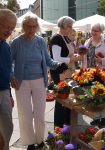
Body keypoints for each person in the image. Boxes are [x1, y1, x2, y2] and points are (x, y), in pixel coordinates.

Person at [10, 14, 67, 150]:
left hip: (39, 80)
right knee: (25, 114)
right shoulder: (16, 42)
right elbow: (9, 62)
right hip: (21, 81)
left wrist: (58, 64)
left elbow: (48, 60)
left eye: (34, 26)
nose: (31, 29)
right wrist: (11, 76)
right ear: (23, 27)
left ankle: (40, 140)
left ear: (37, 27)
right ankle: (30, 142)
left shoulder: (40, 41)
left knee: (40, 113)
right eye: (28, 26)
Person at [50, 16, 84, 128]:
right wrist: (74, 59)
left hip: (67, 71)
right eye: (70, 26)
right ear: (64, 26)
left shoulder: (64, 38)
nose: (71, 28)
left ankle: (66, 122)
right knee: (61, 98)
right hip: (60, 73)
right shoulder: (57, 38)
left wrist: (73, 56)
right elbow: (56, 58)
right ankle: (59, 125)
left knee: (67, 96)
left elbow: (64, 55)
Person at [84, 23, 105, 127]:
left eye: (96, 31)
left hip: (103, 73)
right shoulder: (87, 42)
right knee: (93, 97)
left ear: (101, 31)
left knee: (103, 96)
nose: (93, 32)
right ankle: (96, 118)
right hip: (90, 73)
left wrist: (101, 60)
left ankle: (104, 119)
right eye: (92, 30)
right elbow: (84, 56)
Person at [0, 9, 17, 150]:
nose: (9, 31)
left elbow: (6, 69)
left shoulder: (6, 46)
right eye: (6, 26)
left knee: (7, 128)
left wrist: (10, 93)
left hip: (4, 92)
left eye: (11, 28)